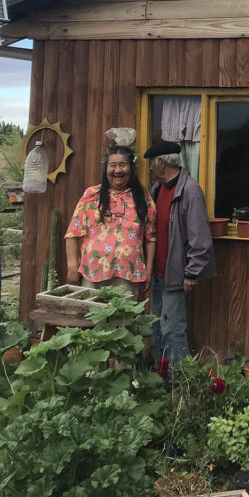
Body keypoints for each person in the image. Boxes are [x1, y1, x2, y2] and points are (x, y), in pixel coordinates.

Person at [144, 139, 216, 364]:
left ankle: (178, 384)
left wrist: (192, 273)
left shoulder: (189, 191)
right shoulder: (157, 189)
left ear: (162, 163)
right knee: (156, 326)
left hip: (176, 275)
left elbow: (201, 239)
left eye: (151, 164)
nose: (149, 168)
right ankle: (160, 380)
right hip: (158, 273)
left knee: (172, 330)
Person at [64, 145, 156, 299]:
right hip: (93, 272)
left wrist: (149, 270)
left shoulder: (143, 198)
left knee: (122, 320)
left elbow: (151, 238)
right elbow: (73, 232)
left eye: (123, 165)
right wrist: (72, 266)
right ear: (106, 168)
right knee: (92, 318)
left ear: (131, 168)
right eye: (112, 165)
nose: (117, 171)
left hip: (129, 274)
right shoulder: (91, 195)